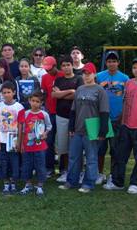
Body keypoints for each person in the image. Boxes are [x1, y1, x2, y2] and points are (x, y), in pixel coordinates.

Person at [104, 57, 137, 194]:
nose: (136, 70)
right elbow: (125, 102)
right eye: (134, 67)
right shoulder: (129, 83)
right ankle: (118, 182)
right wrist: (122, 122)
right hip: (126, 126)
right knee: (121, 156)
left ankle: (135, 183)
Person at [59, 62, 109, 193]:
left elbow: (104, 112)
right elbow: (74, 110)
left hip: (91, 131)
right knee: (74, 157)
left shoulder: (100, 90)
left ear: (94, 74)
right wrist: (71, 127)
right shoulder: (80, 89)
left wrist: (103, 131)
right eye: (84, 73)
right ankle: (71, 181)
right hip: (78, 129)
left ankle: (88, 183)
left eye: (89, 73)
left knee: (91, 158)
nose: (86, 76)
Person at [96, 51, 129, 185]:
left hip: (117, 118)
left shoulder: (125, 78)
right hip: (102, 118)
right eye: (109, 61)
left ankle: (113, 174)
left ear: (118, 63)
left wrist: (123, 115)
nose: (111, 63)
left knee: (115, 149)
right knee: (100, 149)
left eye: (114, 61)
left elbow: (127, 99)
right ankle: (99, 174)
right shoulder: (99, 76)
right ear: (106, 63)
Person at [52, 55, 83, 183]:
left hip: (76, 117)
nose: (66, 67)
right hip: (61, 116)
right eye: (63, 65)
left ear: (72, 65)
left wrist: (62, 94)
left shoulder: (79, 79)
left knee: (76, 146)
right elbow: (54, 95)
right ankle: (64, 171)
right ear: (61, 67)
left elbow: (78, 95)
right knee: (62, 146)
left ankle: (78, 171)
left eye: (68, 65)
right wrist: (70, 90)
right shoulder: (58, 80)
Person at [18, 91, 52, 196]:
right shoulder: (26, 113)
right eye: (33, 101)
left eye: (37, 101)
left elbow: (49, 126)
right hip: (27, 146)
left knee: (40, 165)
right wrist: (21, 144)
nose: (35, 103)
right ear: (29, 101)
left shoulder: (44, 114)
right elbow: (22, 130)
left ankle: (40, 186)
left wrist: (45, 133)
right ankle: (28, 184)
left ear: (41, 103)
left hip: (39, 146)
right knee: (26, 165)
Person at [0, 81, 24, 195]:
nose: (6, 95)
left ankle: (13, 183)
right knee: (3, 162)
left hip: (13, 141)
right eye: (4, 92)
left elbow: (21, 125)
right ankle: (6, 184)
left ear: (14, 93)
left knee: (14, 162)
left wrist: (19, 142)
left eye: (8, 92)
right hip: (2, 140)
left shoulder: (19, 107)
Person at [40, 56, 64, 177]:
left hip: (62, 112)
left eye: (50, 69)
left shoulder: (62, 75)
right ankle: (49, 167)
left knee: (62, 141)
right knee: (48, 140)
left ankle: (63, 168)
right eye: (46, 69)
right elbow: (44, 94)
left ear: (55, 66)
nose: (48, 71)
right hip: (49, 112)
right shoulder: (44, 77)